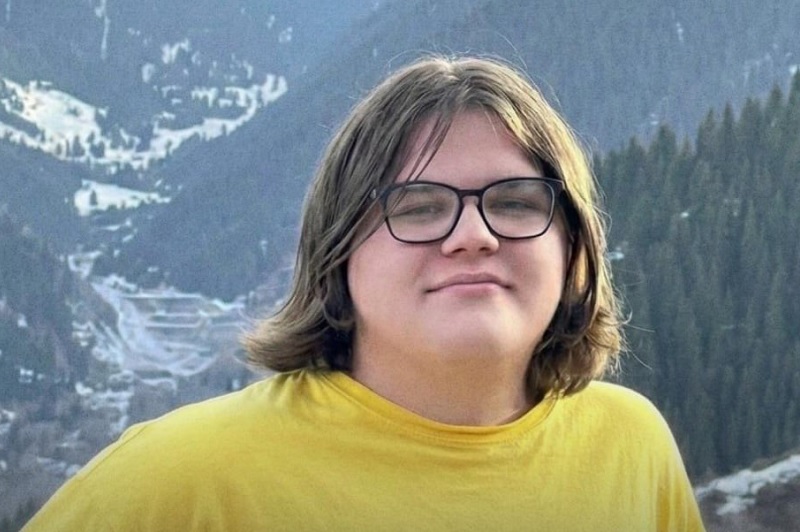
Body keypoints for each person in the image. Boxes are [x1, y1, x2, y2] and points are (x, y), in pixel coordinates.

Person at [25, 55, 705, 531]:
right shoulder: (185, 479)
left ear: (572, 243)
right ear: (339, 250)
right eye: (418, 207)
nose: (473, 235)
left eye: (517, 201)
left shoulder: (632, 447)